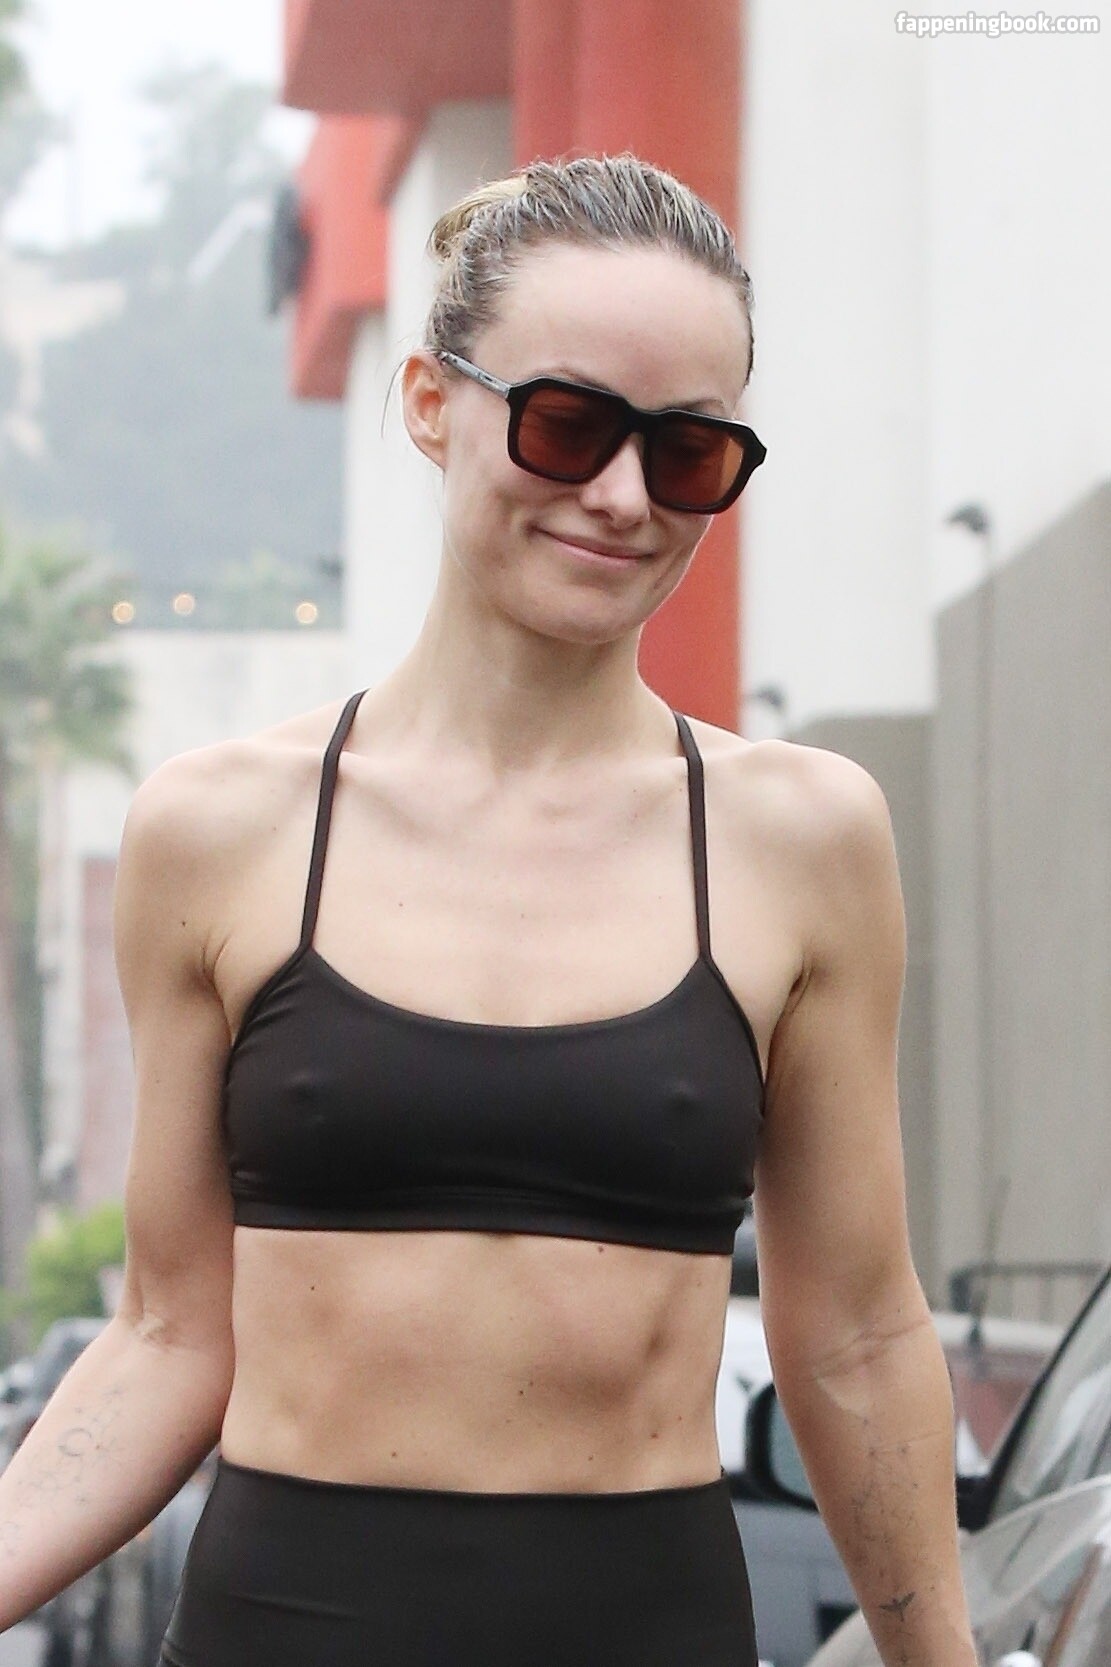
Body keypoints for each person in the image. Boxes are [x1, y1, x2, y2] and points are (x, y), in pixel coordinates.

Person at [0, 154, 977, 1667]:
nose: (623, 496)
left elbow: (855, 1334)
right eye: (567, 424)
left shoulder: (803, 839)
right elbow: (167, 1336)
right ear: (428, 402)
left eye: (689, 452)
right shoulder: (220, 831)